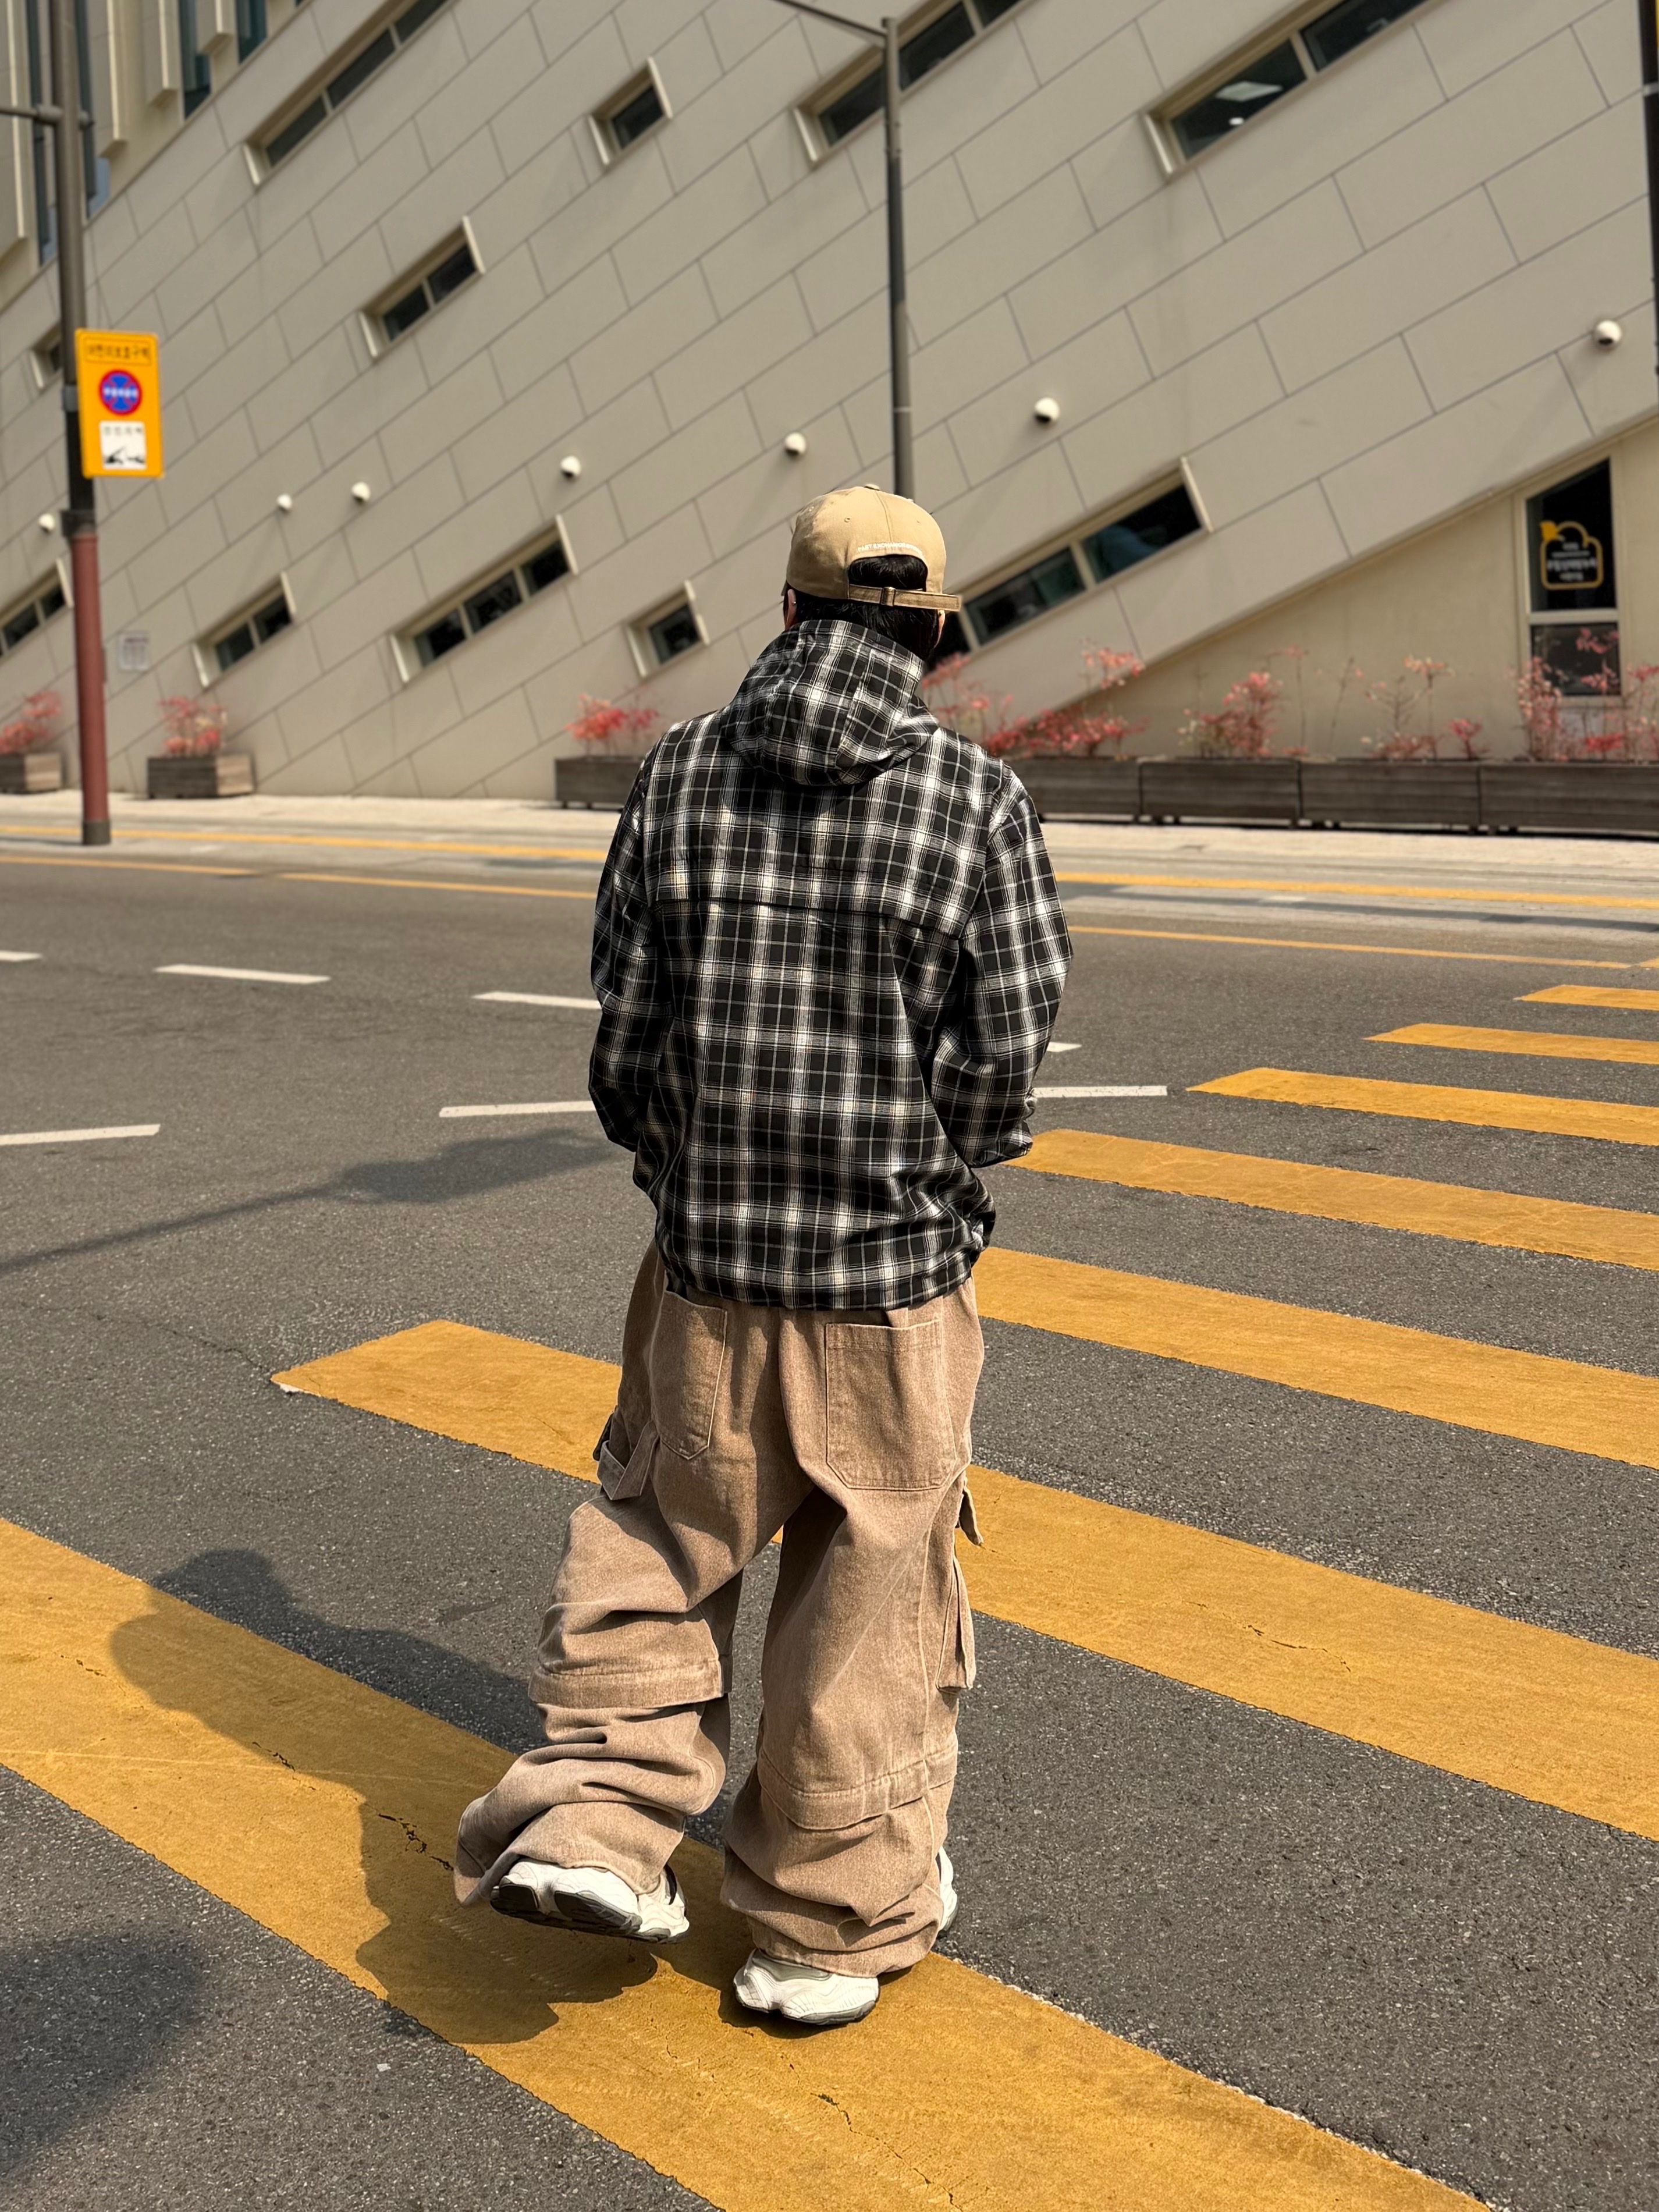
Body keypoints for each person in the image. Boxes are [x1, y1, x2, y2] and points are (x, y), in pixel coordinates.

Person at [454, 485, 1071, 2028]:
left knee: (661, 1539)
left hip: (708, 1267)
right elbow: (1001, 1074)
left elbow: (627, 1047)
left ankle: (600, 1823)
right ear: (930, 637)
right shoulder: (974, 802)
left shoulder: (673, 780)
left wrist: (688, 1174)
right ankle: (820, 1920)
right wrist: (926, 1179)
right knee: (871, 1591)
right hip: (889, 1279)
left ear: (788, 614)